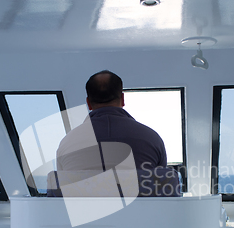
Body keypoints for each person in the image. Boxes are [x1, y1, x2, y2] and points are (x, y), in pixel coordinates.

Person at [50, 70, 180, 197]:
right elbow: (163, 194)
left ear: (88, 103)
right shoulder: (152, 138)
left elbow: (61, 197)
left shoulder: (66, 143)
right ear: (122, 99)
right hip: (144, 218)